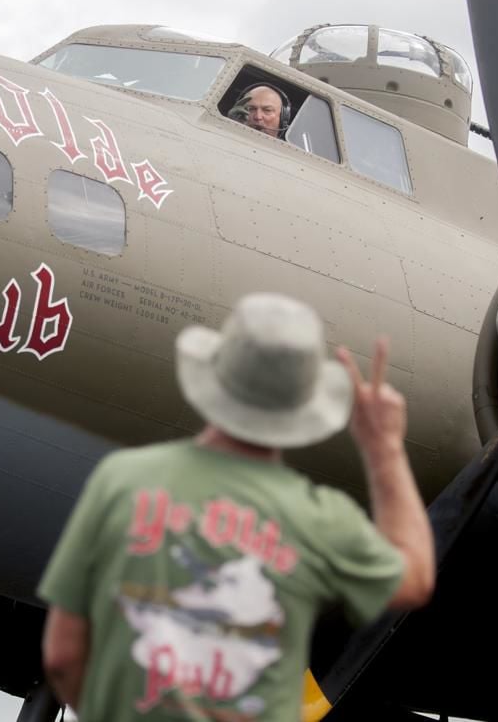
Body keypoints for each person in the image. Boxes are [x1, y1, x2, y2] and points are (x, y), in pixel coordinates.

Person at [38, 292, 434, 721]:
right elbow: (414, 580)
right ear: (304, 405)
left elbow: (62, 655)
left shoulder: (120, 480)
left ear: (214, 376)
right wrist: (384, 447)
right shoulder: (321, 518)